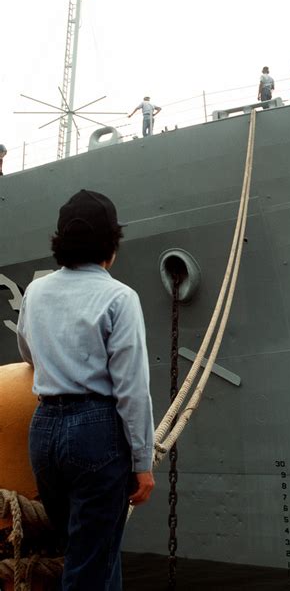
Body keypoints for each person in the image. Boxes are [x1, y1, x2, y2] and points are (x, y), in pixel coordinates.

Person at [17, 189, 155, 591]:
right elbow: (132, 386)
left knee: (87, 551)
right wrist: (143, 462)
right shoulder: (119, 297)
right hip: (96, 431)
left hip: (43, 432)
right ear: (111, 244)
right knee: (90, 562)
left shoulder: (36, 292)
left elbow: (27, 352)